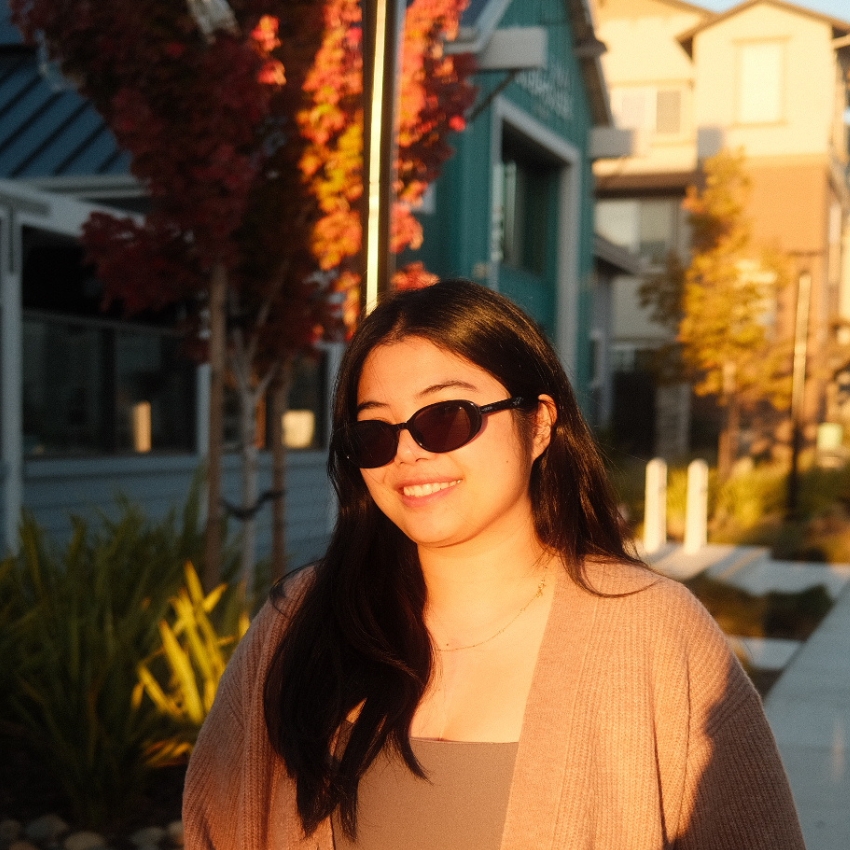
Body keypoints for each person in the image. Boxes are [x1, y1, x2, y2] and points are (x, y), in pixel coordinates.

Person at [184, 278, 805, 849]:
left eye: (446, 417)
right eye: (374, 433)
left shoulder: (653, 635)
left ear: (539, 424)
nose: (409, 453)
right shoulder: (297, 627)